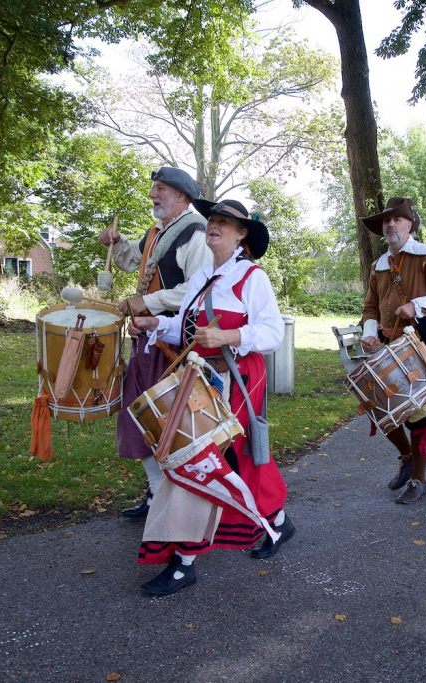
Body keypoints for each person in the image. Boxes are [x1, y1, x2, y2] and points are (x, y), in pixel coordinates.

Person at [128, 198, 292, 596]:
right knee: (237, 456)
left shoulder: (251, 277)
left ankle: (183, 561)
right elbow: (187, 329)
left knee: (196, 458)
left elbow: (272, 333)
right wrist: (156, 323)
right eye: (212, 220)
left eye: (224, 222)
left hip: (236, 377)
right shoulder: (203, 275)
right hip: (199, 379)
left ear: (241, 235)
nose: (213, 226)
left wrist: (229, 336)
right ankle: (278, 519)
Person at [99, 167, 213, 519]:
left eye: (160, 189)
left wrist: (147, 304)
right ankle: (156, 494)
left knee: (171, 427)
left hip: (176, 346)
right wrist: (115, 244)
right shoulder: (157, 232)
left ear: (181, 196)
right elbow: (135, 260)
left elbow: (198, 289)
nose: (152, 195)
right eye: (153, 189)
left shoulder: (195, 233)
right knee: (139, 417)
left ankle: (180, 505)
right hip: (147, 338)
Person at [359, 197, 426, 505]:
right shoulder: (379, 266)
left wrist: (416, 306)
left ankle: (419, 479)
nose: (391, 224)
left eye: (397, 219)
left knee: (419, 415)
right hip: (388, 345)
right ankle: (406, 457)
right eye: (386, 221)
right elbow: (370, 307)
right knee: (379, 409)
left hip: (420, 344)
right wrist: (369, 334)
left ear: (410, 225)